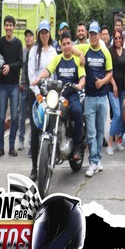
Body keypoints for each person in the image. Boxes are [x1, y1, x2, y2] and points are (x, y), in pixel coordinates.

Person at [32, 31, 86, 160]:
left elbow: (82, 77)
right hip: (59, 95)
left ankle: (77, 146)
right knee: (48, 111)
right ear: (60, 46)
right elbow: (48, 70)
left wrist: (80, 85)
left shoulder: (77, 59)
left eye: (68, 43)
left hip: (72, 94)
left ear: (71, 44)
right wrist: (38, 78)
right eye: (64, 44)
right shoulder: (57, 58)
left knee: (77, 111)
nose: (66, 46)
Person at [72, 21, 114, 177]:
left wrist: (103, 82)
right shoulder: (85, 47)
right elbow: (72, 48)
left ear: (99, 35)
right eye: (91, 34)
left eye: (95, 34)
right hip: (89, 97)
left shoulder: (105, 52)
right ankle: (92, 161)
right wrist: (81, 55)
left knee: (99, 132)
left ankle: (98, 160)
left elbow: (110, 72)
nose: (93, 37)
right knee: (90, 132)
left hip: (102, 98)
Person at [0, 14, 23, 158]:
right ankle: (0, 147)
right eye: (6, 25)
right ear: (4, 26)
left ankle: (12, 146)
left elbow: (20, 62)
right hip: (2, 86)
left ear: (14, 27)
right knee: (1, 118)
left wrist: (10, 67)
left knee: (14, 117)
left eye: (10, 25)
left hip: (14, 86)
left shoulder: (18, 43)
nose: (8, 28)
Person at [27, 20, 57, 180]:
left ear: (49, 33)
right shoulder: (34, 51)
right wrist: (37, 94)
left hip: (50, 95)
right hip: (35, 94)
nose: (44, 35)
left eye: (46, 32)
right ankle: (34, 167)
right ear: (39, 34)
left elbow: (55, 73)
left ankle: (47, 161)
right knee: (35, 130)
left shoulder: (53, 51)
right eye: (42, 33)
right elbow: (31, 74)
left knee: (50, 128)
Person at [107, 29, 125, 154]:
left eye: (120, 38)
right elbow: (108, 70)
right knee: (117, 114)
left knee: (121, 115)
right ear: (113, 39)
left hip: (122, 88)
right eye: (116, 38)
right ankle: (110, 143)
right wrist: (114, 85)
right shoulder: (110, 51)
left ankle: (117, 141)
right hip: (112, 88)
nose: (118, 40)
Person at [18, 28, 34, 151]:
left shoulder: (35, 52)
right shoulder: (21, 52)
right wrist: (18, 82)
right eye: (26, 36)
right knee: (22, 116)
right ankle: (21, 140)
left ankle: (31, 141)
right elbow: (18, 67)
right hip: (23, 86)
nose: (28, 38)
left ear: (33, 38)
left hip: (33, 86)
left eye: (30, 36)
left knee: (33, 116)